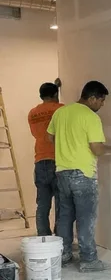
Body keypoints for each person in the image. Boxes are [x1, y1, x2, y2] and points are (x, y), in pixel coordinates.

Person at [48, 81, 111, 271]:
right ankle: (89, 260)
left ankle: (65, 254)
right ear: (92, 98)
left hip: (61, 172)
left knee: (64, 217)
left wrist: (67, 147)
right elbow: (97, 149)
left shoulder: (60, 112)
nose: (102, 105)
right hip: (83, 174)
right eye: (101, 101)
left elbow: (50, 137)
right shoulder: (90, 117)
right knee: (86, 218)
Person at [27, 80, 63, 236]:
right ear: (56, 94)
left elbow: (36, 134)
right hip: (59, 160)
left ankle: (43, 238)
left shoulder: (32, 113)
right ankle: (61, 238)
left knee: (42, 204)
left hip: (40, 160)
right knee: (62, 203)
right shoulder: (61, 109)